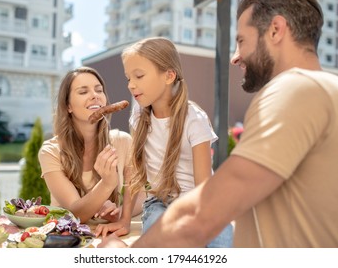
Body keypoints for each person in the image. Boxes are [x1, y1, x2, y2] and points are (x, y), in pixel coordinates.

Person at [98, 0, 338, 248]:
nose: (235, 57)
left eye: (241, 41)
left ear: (276, 30)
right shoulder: (333, 91)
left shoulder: (296, 90)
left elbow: (202, 212)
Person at [95, 37, 234, 248]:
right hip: (158, 203)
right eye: (128, 78)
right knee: (165, 241)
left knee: (222, 242)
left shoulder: (194, 119)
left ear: (169, 75)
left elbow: (204, 189)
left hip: (200, 202)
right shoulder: (139, 117)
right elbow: (134, 171)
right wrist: (124, 220)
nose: (131, 85)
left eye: (139, 76)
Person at [38, 66, 144, 233]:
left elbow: (141, 195)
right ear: (68, 106)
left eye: (99, 90)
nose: (95, 95)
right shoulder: (51, 152)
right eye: (83, 92)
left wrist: (119, 214)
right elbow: (75, 212)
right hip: (67, 237)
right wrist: (107, 184)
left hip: (109, 234)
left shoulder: (123, 141)